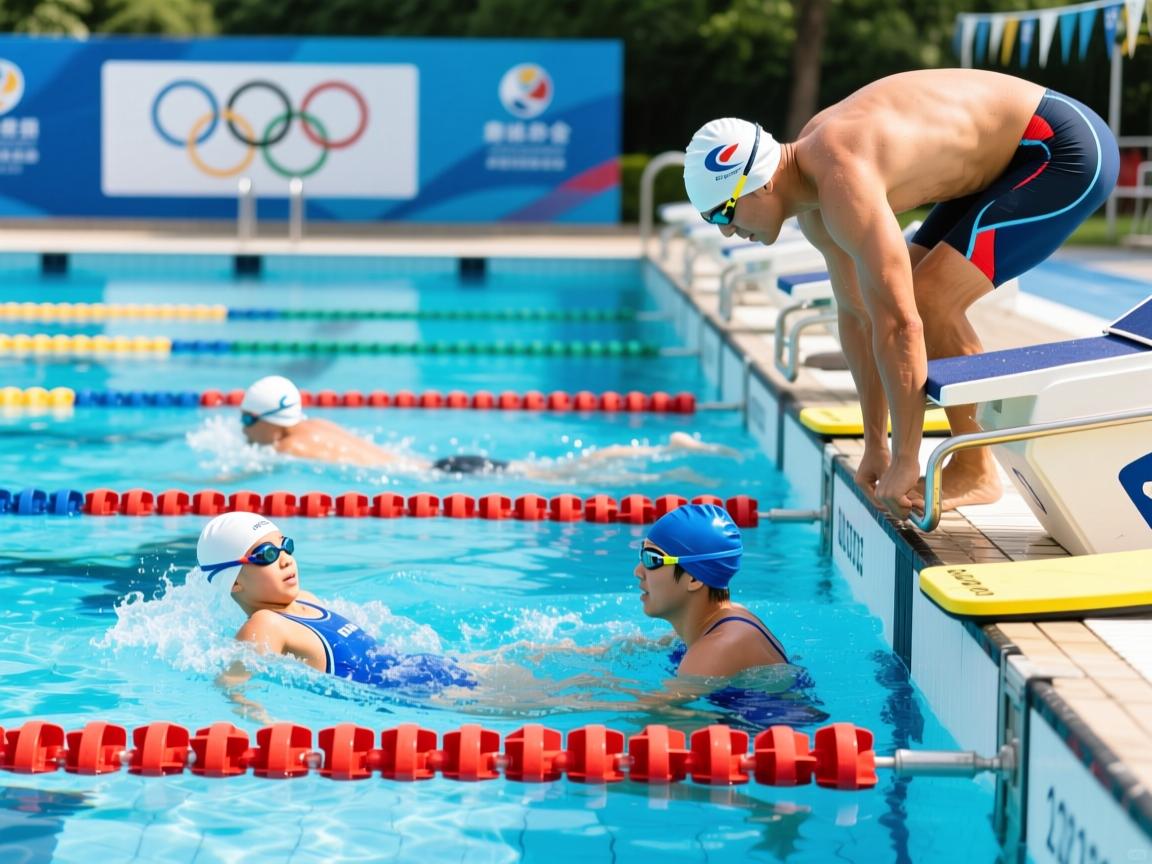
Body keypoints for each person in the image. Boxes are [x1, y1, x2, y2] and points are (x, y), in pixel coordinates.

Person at [683, 70, 1119, 519]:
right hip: (1009, 159)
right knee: (898, 290)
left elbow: (901, 323)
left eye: (724, 212)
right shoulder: (814, 200)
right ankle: (970, 460)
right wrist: (877, 445)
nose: (728, 230)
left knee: (928, 302)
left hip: (1059, 147)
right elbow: (858, 317)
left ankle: (977, 469)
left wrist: (908, 458)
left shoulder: (840, 176)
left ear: (761, 182)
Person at [197, 510, 475, 690]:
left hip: (424, 666)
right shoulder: (265, 624)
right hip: (417, 692)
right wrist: (262, 721)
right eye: (268, 554)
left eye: (286, 546)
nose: (286, 559)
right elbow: (229, 685)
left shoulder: (307, 601)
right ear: (234, 581)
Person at [238, 374, 736, 472]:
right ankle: (657, 450)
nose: (242, 428)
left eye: (246, 419)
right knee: (555, 468)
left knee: (560, 474)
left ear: (268, 421)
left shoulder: (287, 449)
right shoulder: (314, 424)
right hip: (444, 464)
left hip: (447, 473)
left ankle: (659, 452)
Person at [635, 502, 787, 677]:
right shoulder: (717, 619)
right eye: (642, 553)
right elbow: (657, 644)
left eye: (652, 559)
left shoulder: (717, 649)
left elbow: (657, 705)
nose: (638, 571)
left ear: (694, 578)